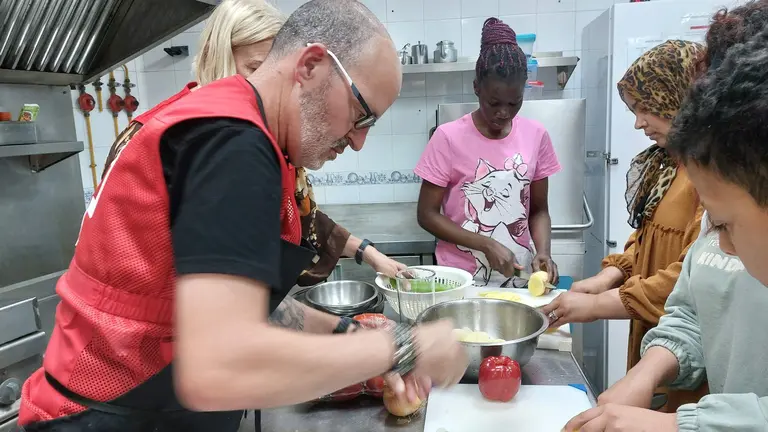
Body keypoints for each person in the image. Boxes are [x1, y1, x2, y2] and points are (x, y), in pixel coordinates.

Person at [18, 2, 469, 431]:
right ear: (310, 66)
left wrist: (351, 330)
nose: (358, 142)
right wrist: (404, 348)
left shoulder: (231, 127)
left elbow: (248, 310)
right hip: (109, 415)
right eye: (361, 115)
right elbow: (217, 365)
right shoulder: (233, 143)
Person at [563, 4, 768, 431]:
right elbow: (691, 308)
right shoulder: (696, 174)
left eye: (724, 225)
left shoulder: (726, 173)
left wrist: (680, 426)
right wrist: (648, 371)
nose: (719, 243)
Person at [105, 0, 407, 287]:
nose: (272, 84)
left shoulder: (269, 148)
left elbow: (305, 221)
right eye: (257, 68)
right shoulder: (183, 140)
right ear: (216, 58)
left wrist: (366, 251)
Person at [541, 40, 706, 410]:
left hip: (686, 351)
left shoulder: (710, 177)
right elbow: (644, 241)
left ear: (680, 97)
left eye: (647, 108)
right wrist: (602, 281)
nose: (638, 122)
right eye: (634, 110)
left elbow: (688, 280)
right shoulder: (668, 165)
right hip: (652, 335)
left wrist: (597, 305)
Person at [415, 18, 561, 287]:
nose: (503, 113)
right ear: (476, 88)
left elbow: (539, 210)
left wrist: (543, 252)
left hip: (518, 276)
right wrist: (485, 244)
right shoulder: (447, 137)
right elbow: (426, 214)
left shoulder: (536, 135)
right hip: (460, 279)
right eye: (493, 103)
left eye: (514, 103)